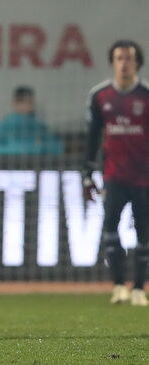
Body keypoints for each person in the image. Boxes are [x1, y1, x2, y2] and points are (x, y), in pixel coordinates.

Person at [82, 39, 149, 306]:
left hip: (144, 177)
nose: (124, 63)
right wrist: (87, 173)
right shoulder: (100, 96)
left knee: (144, 232)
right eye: (119, 58)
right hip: (113, 176)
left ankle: (139, 289)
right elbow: (92, 136)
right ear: (113, 62)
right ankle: (119, 285)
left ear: (137, 63)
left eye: (129, 58)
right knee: (110, 227)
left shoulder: (146, 96)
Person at [0, 86, 64, 156]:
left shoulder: (40, 126)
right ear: (15, 103)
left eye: (29, 102)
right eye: (22, 102)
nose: (26, 106)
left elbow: (56, 148)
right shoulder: (3, 126)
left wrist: (39, 149)